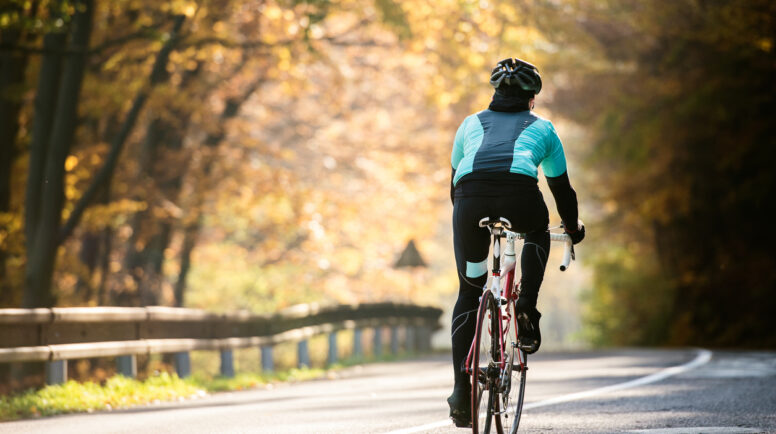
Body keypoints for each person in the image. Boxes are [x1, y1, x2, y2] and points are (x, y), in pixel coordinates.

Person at [447, 58, 585, 427]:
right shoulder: (544, 128)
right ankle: (526, 306)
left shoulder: (469, 123)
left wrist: (467, 221)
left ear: (494, 93)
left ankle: (462, 393)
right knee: (537, 231)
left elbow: (454, 180)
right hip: (519, 195)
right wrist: (572, 228)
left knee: (469, 290)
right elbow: (561, 190)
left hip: (469, 198)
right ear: (532, 100)